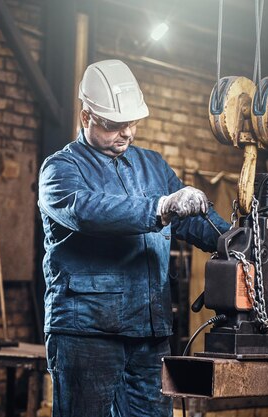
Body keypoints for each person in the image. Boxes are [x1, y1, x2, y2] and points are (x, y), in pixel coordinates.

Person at [38, 59, 230, 417]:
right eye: (114, 126)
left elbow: (191, 222)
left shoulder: (152, 165)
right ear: (86, 118)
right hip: (88, 334)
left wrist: (233, 240)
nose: (126, 133)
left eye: (132, 124)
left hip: (149, 333)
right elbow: (88, 211)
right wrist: (160, 207)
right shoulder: (60, 170)